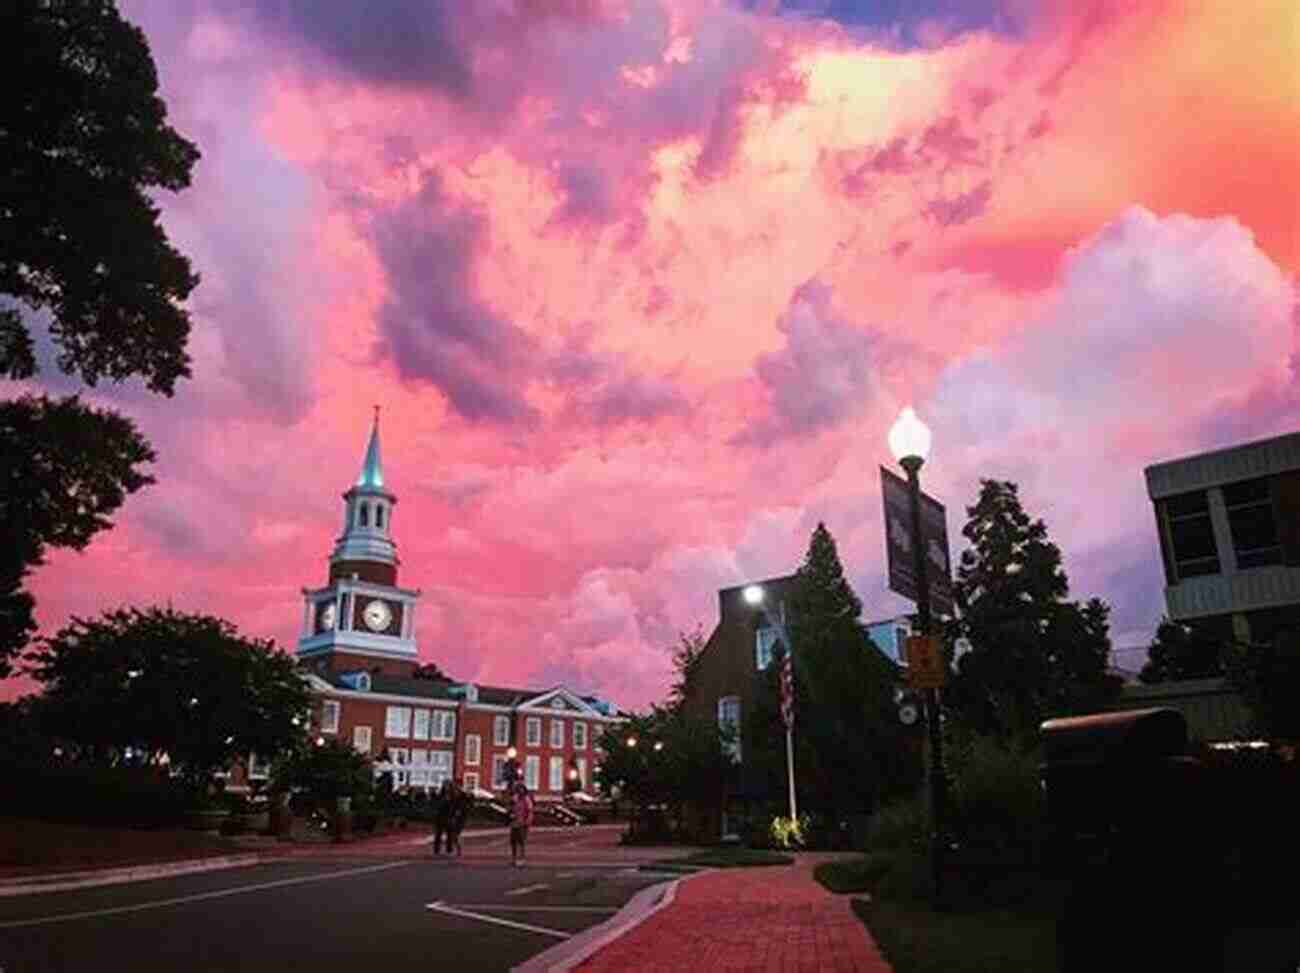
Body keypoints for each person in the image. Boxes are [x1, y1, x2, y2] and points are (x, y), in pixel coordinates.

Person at [509, 781, 534, 867]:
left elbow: (530, 811)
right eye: (518, 789)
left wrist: (528, 822)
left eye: (521, 789)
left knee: (521, 842)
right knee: (513, 842)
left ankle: (522, 859)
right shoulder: (514, 798)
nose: (520, 791)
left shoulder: (527, 799)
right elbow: (511, 809)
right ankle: (514, 858)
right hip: (514, 823)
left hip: (522, 823)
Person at [446, 780, 472, 857]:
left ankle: (459, 851)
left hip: (460, 818)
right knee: (453, 835)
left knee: (455, 835)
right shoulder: (452, 795)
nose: (455, 787)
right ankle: (457, 850)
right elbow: (451, 806)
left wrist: (460, 811)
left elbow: (467, 805)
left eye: (456, 786)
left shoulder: (463, 795)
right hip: (453, 817)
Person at [432, 779, 453, 856]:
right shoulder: (441, 795)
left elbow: (454, 806)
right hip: (440, 817)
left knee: (449, 834)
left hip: (448, 816)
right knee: (438, 834)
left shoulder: (452, 795)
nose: (447, 786)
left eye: (448, 785)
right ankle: (436, 850)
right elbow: (436, 804)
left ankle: (449, 850)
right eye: (445, 785)